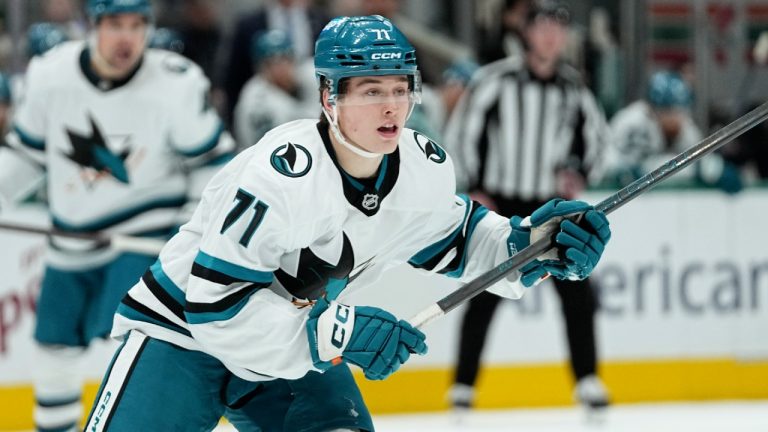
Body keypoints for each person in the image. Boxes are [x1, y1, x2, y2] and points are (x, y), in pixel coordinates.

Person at [83, 14, 612, 431]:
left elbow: (461, 238)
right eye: (370, 90)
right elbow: (213, 309)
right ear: (328, 97)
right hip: (181, 337)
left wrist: (533, 244)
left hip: (289, 345)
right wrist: (339, 331)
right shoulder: (281, 173)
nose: (392, 108)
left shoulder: (421, 168)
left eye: (401, 88)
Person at [0, 0, 235, 430]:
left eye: (136, 25)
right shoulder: (50, 75)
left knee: (130, 344)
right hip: (69, 240)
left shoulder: (175, 83)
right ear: (91, 26)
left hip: (143, 236)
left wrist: (189, 232)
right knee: (55, 351)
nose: (126, 37)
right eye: (114, 24)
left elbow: (213, 166)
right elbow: (26, 158)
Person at [444, 0, 612, 411]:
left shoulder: (573, 87)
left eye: (559, 27)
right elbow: (463, 131)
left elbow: (599, 141)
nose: (552, 35)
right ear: (526, 31)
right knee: (484, 290)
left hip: (549, 204)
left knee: (576, 292)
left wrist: (581, 173)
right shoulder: (496, 79)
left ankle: (587, 379)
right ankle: (464, 384)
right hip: (502, 201)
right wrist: (474, 186)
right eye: (543, 25)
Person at [601, 70, 742, 193]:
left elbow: (699, 160)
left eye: (680, 110)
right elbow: (636, 172)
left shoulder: (684, 125)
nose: (677, 118)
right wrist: (700, 169)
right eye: (671, 111)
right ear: (656, 109)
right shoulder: (634, 123)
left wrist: (712, 167)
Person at [233, 29, 317, 149]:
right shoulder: (255, 101)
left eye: (285, 59)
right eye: (271, 63)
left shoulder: (311, 74)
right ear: (260, 67)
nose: (281, 68)